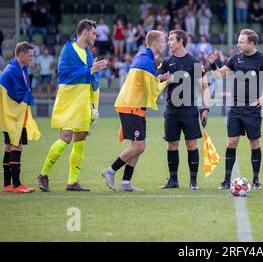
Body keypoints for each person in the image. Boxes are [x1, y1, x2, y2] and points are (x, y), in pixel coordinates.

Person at [37, 20, 108, 192]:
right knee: (65, 137)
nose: (95, 37)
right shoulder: (68, 50)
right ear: (84, 32)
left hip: (83, 102)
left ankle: (72, 182)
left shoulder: (89, 54)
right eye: (93, 34)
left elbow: (92, 78)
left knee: (80, 140)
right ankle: (43, 174)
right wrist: (91, 70)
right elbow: (65, 75)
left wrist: (94, 106)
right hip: (68, 101)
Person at [207, 29, 263, 190]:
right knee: (232, 142)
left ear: (252, 43)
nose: (238, 44)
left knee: (254, 143)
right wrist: (213, 63)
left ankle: (256, 180)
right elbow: (219, 75)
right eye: (238, 41)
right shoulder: (235, 58)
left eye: (241, 42)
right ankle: (227, 180)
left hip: (252, 109)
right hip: (235, 107)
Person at [101, 31, 166, 192]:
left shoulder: (145, 56)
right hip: (131, 106)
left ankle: (126, 183)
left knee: (140, 146)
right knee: (138, 147)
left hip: (135, 106)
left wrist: (160, 78)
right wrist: (167, 82)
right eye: (163, 41)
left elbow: (148, 82)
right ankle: (110, 171)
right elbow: (153, 91)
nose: (164, 44)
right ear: (155, 43)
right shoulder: (146, 60)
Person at [158, 30, 210, 190]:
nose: (168, 42)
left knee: (191, 144)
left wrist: (205, 108)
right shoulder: (166, 62)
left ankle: (193, 181)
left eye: (171, 39)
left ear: (180, 41)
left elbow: (204, 86)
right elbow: (157, 80)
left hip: (189, 110)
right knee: (172, 144)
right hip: (171, 110)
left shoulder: (194, 62)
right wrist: (162, 79)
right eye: (168, 39)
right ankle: (173, 180)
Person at [0, 42, 41, 193]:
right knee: (17, 146)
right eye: (30, 55)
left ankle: (7, 184)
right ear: (21, 55)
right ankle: (16, 185)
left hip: (8, 115)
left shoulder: (18, 68)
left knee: (9, 147)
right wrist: (30, 96)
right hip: (13, 115)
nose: (32, 58)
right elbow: (19, 95)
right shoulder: (13, 71)